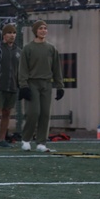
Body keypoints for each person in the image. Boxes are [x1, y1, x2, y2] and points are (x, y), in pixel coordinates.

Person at [18, 20, 63, 153]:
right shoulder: (28, 48)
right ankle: (26, 140)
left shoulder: (51, 49)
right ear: (35, 31)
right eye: (40, 28)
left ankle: (41, 142)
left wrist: (60, 86)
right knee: (33, 112)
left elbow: (57, 68)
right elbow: (23, 69)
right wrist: (23, 85)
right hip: (32, 83)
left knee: (45, 113)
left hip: (47, 84)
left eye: (45, 28)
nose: (43, 30)